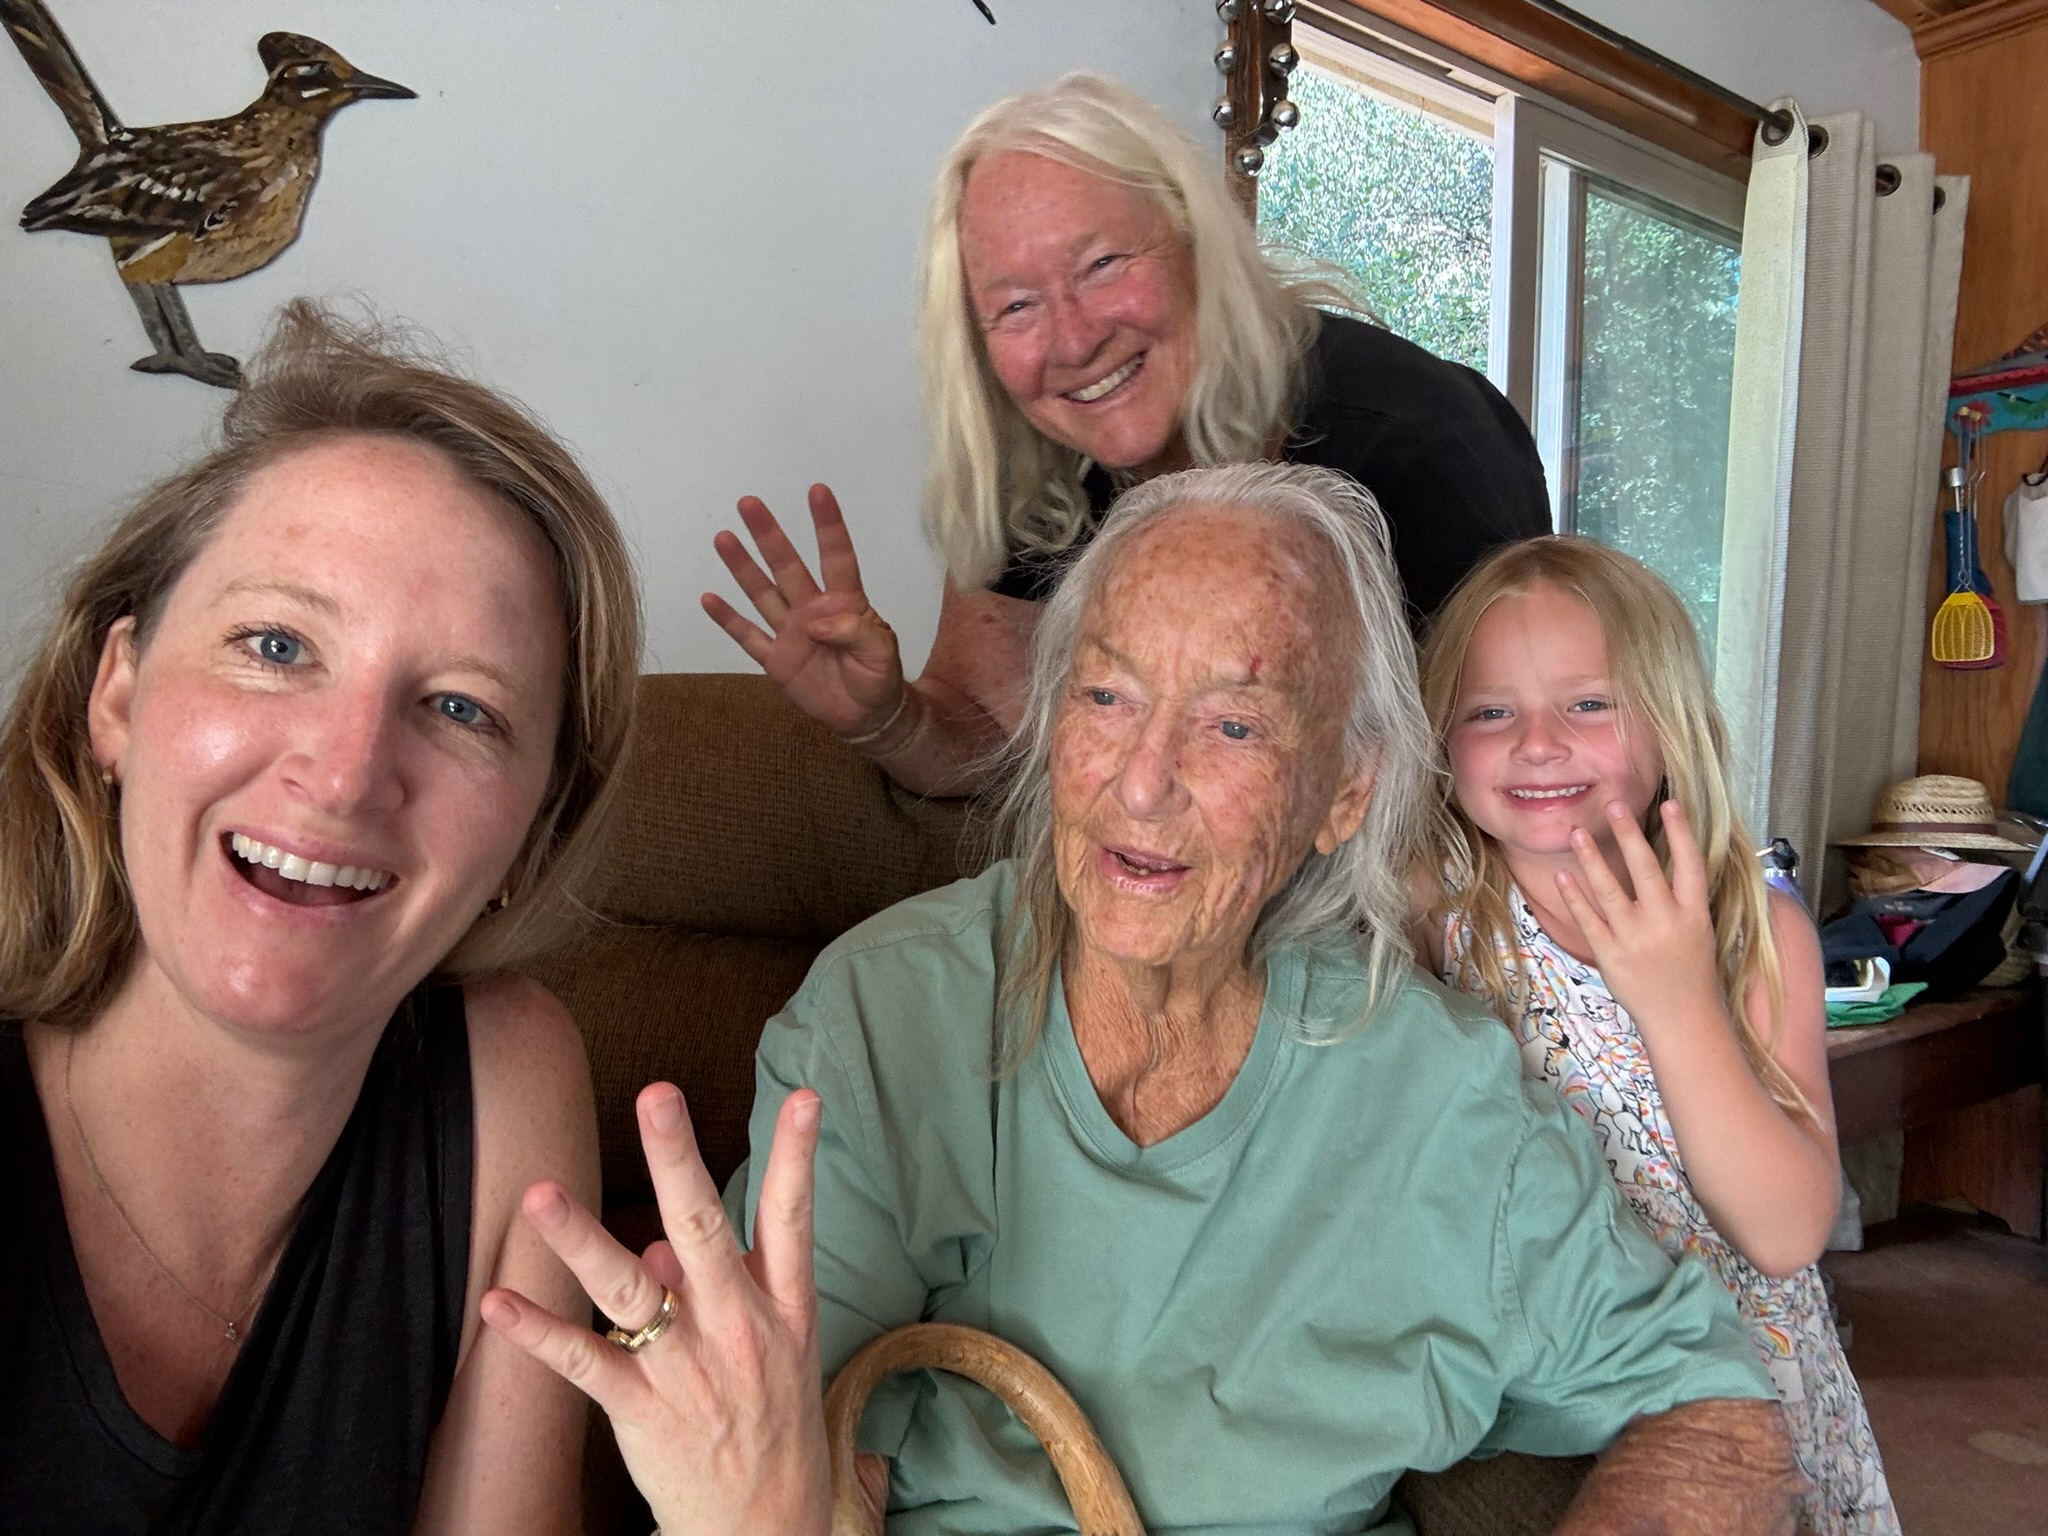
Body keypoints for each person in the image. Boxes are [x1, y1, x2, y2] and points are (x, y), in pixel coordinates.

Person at [490, 463, 1804, 1535]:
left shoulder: (1434, 1097)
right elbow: (795, 1460)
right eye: (1106, 697)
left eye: (1233, 725)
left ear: (1344, 792)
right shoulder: (891, 1016)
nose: (1141, 782)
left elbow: (1714, 1406)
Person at [0, 301, 641, 1534]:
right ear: (119, 694)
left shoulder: (508, 1078)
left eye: (460, 709)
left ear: (534, 833)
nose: (346, 774)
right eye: (276, 643)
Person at [703, 72, 1550, 796]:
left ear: (1194, 239)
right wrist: (884, 719)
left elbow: (1525, 769)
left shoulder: (1416, 440)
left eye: (1103, 265)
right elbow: (995, 739)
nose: (1073, 342)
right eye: (1015, 307)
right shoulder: (1038, 459)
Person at [1416, 537, 1898, 1534]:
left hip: (1743, 1391)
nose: (1536, 742)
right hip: (1556, 1377)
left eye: (1588, 704)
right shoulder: (1435, 918)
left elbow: (1782, 1230)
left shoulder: (1751, 933)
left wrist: (1676, 1002)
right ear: (1437, 740)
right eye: (1489, 711)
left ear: (1670, 723)